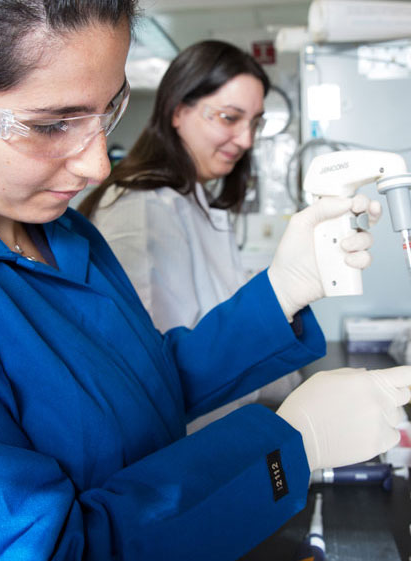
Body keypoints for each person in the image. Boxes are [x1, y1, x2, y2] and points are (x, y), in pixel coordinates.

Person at [0, 1, 411, 561]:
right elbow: (51, 552)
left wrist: (282, 290)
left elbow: (143, 389)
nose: (97, 165)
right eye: (53, 124)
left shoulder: (56, 226)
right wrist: (288, 448)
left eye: (108, 109)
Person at [79, 40, 299, 431]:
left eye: (254, 122)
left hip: (224, 424)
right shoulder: (142, 207)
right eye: (229, 118)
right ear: (178, 111)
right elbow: (161, 368)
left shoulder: (191, 198)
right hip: (186, 439)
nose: (247, 140)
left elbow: (219, 331)